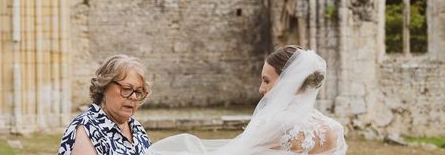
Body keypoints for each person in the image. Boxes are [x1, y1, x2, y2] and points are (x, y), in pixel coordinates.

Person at [148, 46, 347, 155]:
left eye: (266, 81)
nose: (261, 89)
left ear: (289, 81)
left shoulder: (276, 125)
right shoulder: (334, 130)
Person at [59, 54, 152, 155]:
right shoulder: (87, 128)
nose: (133, 97)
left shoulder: (136, 127)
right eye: (126, 89)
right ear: (104, 86)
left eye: (138, 92)